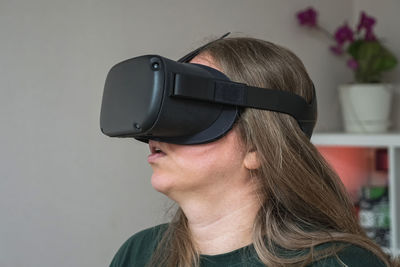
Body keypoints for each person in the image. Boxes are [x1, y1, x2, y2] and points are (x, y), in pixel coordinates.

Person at [109, 36, 395, 266]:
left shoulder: (341, 262)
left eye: (189, 110)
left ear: (258, 148)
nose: (156, 133)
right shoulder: (139, 253)